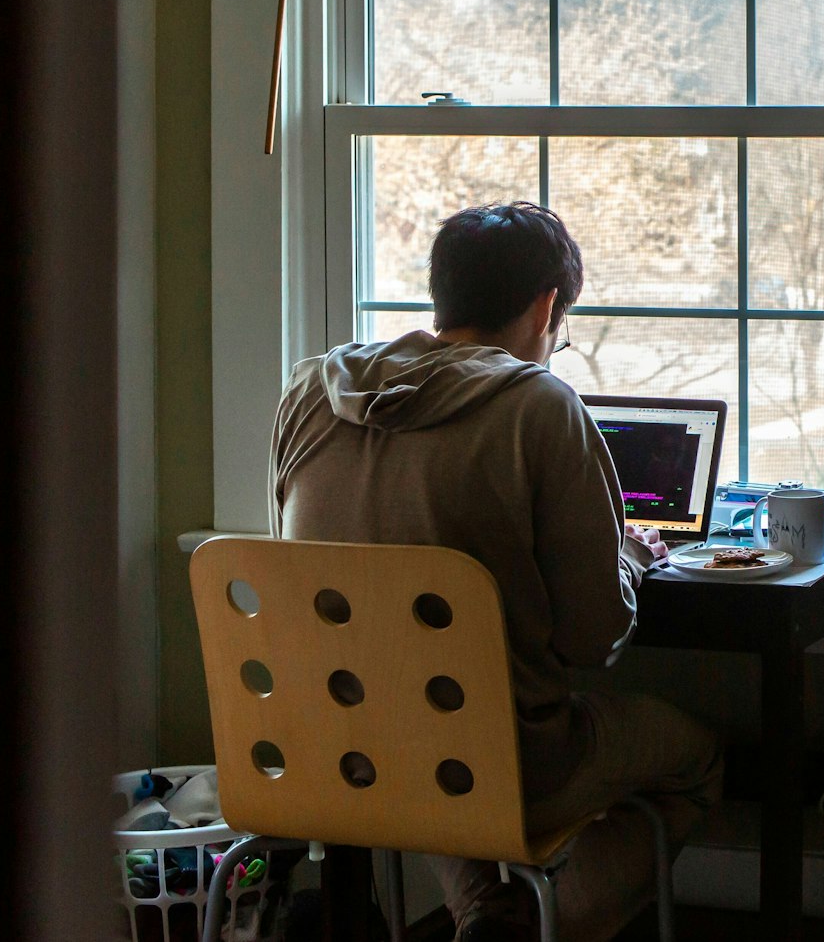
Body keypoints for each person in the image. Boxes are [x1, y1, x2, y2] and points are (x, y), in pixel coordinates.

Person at [270, 201, 723, 942]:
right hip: (496, 762)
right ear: (547, 306)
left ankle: (490, 911)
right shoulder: (538, 407)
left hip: (334, 743)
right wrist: (632, 555)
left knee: (423, 719)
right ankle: (541, 926)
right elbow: (593, 636)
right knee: (698, 755)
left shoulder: (309, 394)